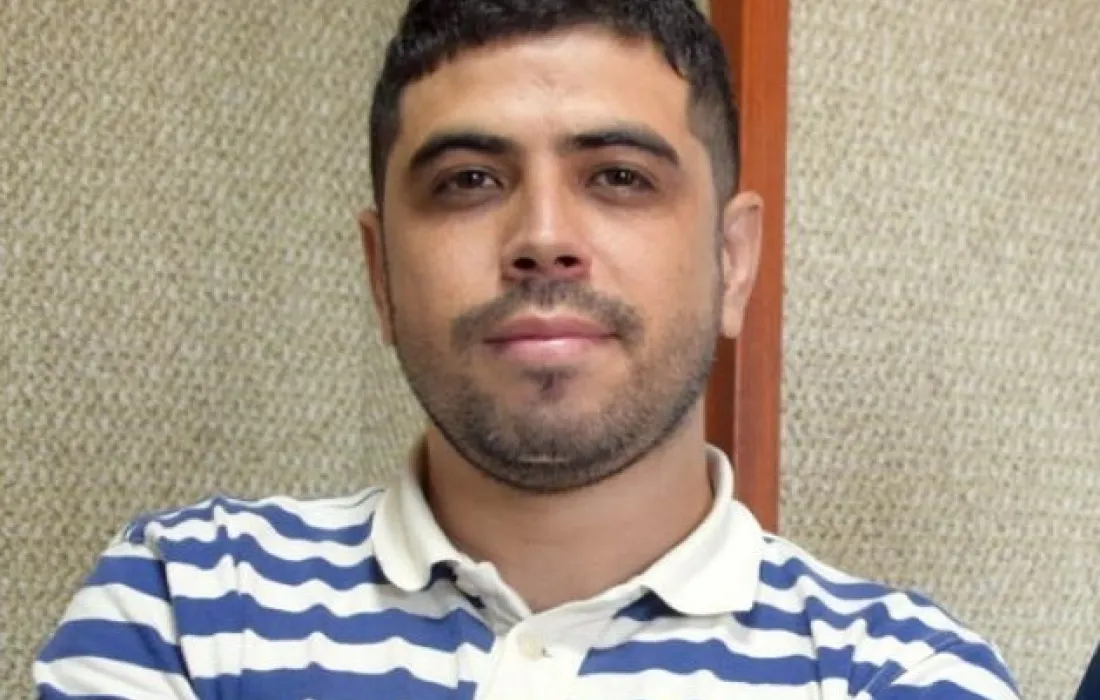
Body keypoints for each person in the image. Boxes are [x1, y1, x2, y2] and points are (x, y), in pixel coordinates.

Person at [34, 1, 1022, 698]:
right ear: (380, 274)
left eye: (619, 176)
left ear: (731, 261)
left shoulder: (907, 672)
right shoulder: (186, 602)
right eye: (467, 180)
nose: (543, 238)